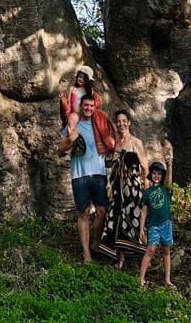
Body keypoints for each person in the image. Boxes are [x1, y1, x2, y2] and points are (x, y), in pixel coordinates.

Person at [59, 93, 110, 263]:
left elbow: (112, 142)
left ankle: (96, 243)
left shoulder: (100, 124)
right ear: (81, 106)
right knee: (83, 213)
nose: (88, 108)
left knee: (102, 211)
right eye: (86, 105)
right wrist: (70, 140)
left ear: (95, 107)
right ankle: (86, 253)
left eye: (91, 105)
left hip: (99, 174)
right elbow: (60, 151)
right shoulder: (72, 125)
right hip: (79, 175)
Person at [97, 108, 148, 268]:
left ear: (129, 123)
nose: (121, 123)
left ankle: (144, 253)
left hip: (132, 188)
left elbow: (145, 168)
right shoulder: (116, 144)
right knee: (118, 219)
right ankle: (120, 259)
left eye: (124, 121)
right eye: (118, 121)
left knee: (132, 220)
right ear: (116, 124)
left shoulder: (136, 143)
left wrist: (144, 190)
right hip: (117, 187)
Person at [138, 160, 174, 288]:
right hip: (154, 225)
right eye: (154, 173)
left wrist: (169, 164)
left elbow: (169, 178)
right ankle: (141, 278)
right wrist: (141, 228)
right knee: (151, 250)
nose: (156, 176)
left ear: (162, 176)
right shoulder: (148, 192)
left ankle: (167, 279)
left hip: (166, 224)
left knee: (166, 250)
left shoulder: (165, 189)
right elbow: (144, 212)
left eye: (159, 174)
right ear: (150, 175)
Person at [58, 64, 98, 133]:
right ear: (77, 77)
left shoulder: (90, 91)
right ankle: (70, 130)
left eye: (84, 78)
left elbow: (92, 105)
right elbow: (68, 103)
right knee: (73, 118)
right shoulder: (72, 89)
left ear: (88, 81)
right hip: (73, 115)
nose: (81, 79)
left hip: (84, 115)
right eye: (80, 77)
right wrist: (63, 100)